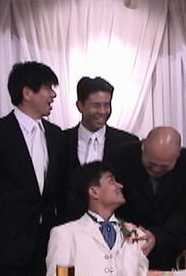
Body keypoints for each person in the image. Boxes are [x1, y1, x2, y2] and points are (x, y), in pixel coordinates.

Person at [0, 61, 64, 276]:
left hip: (46, 246)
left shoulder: (55, 136)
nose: (53, 95)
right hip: (6, 245)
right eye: (47, 88)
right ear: (27, 92)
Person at [45, 161, 149, 276]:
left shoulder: (135, 234)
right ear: (94, 192)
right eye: (111, 181)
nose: (120, 185)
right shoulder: (65, 234)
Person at [105, 126, 186, 271]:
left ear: (177, 155)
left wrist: (157, 235)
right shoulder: (120, 156)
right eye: (151, 164)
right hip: (125, 246)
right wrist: (131, 232)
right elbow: (108, 202)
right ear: (143, 146)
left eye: (164, 166)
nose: (156, 170)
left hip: (168, 246)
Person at [59, 76, 139, 222]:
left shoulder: (128, 142)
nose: (102, 111)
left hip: (117, 225)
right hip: (68, 225)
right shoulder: (61, 140)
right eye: (96, 105)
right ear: (80, 106)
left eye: (106, 105)